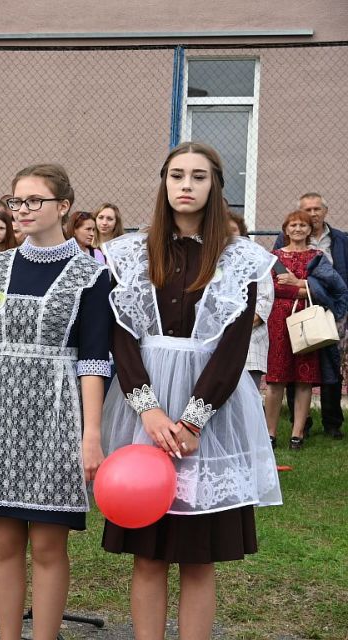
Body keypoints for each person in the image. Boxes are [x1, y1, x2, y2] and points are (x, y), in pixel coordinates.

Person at [100, 141, 282, 640]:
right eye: (177, 175)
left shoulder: (242, 259)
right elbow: (123, 337)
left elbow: (233, 346)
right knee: (148, 554)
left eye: (198, 177)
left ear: (215, 186)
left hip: (210, 411)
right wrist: (148, 410)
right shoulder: (131, 253)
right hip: (146, 407)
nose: (186, 185)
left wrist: (194, 420)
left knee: (199, 558)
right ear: (164, 183)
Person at [0, 164, 112, 640]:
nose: (21, 210)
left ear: (63, 206)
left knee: (47, 546)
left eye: (33, 201)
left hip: (56, 415)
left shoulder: (91, 274)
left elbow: (94, 360)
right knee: (3, 544)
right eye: (16, 201)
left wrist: (91, 435)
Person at [265, 210, 347, 449]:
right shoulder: (274, 258)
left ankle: (297, 434)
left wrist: (299, 283)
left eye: (303, 225)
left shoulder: (318, 257)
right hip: (279, 321)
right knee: (276, 379)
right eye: (293, 225)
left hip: (308, 321)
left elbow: (333, 287)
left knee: (304, 379)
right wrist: (306, 289)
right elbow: (271, 288)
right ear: (285, 229)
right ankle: (269, 434)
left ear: (310, 230)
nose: (298, 229)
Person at [227, 212, 273, 391]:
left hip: (250, 339)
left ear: (242, 233)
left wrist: (237, 328)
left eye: (232, 230)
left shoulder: (257, 259)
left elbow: (265, 300)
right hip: (216, 345)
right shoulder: (209, 261)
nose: (228, 235)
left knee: (249, 396)